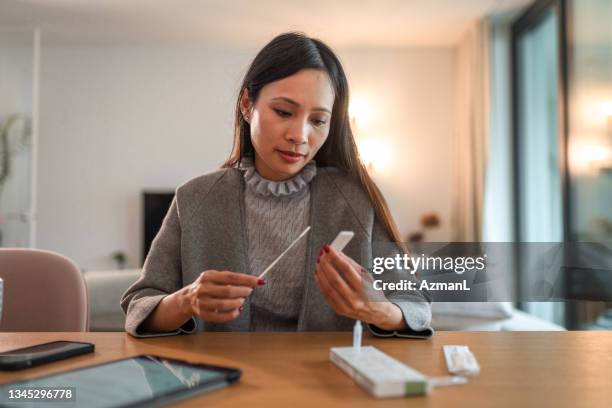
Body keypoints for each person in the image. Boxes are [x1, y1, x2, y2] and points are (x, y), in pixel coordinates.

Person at [121, 32, 433, 339]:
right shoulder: (195, 198)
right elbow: (140, 305)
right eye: (284, 112)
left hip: (330, 383)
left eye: (318, 120)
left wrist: (378, 309)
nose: (299, 135)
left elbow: (416, 305)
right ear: (247, 104)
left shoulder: (354, 200)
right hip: (223, 381)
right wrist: (186, 300)